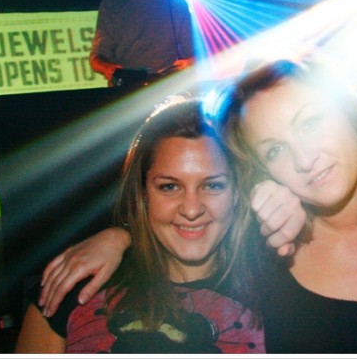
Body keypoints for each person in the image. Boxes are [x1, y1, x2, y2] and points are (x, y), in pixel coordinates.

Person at [38, 57, 357, 353]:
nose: (305, 159)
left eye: (311, 122)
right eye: (275, 150)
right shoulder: (260, 255)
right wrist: (121, 235)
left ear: (347, 108)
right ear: (262, 171)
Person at [15, 97, 264, 353]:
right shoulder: (74, 284)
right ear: (143, 194)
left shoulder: (275, 289)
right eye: (170, 187)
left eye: (212, 185)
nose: (191, 210)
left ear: (237, 192)